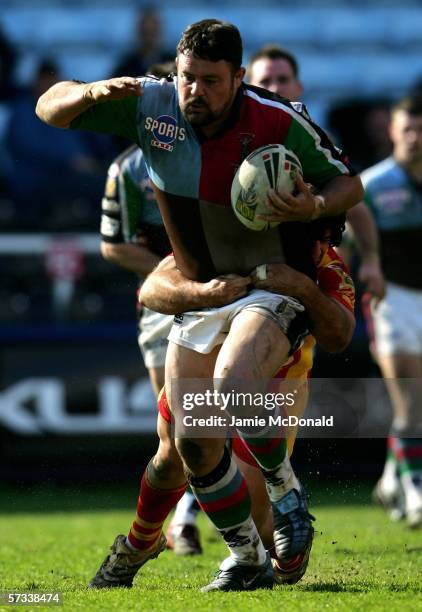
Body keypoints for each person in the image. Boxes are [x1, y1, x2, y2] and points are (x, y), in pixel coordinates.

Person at [36, 19, 363, 590]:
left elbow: (348, 186)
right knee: (190, 440)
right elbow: (48, 108)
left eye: (212, 82)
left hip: (269, 285)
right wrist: (88, 92)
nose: (196, 92)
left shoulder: (277, 120)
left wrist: (310, 206)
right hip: (204, 291)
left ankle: (287, 495)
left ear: (238, 79)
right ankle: (247, 559)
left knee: (233, 382)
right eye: (189, 78)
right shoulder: (152, 106)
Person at [87, 213, 355, 588]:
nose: (320, 248)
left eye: (327, 239)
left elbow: (340, 335)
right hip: (198, 361)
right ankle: (140, 542)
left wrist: (305, 290)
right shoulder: (219, 245)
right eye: (312, 237)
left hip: (277, 385)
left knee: (264, 534)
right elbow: (151, 290)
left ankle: (271, 547)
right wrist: (205, 293)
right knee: (171, 460)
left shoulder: (328, 266)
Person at [347, 94, 422, 529]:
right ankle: (415, 495)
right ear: (391, 131)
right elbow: (344, 247)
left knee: (414, 408)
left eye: (420, 129)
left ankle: (394, 477)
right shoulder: (372, 186)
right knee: (411, 401)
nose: (414, 138)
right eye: (406, 128)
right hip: (393, 301)